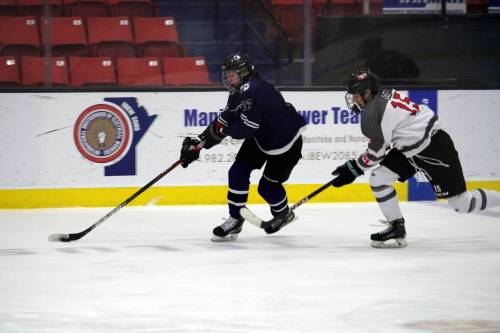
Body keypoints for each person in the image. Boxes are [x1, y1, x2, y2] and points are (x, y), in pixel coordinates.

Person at [330, 68, 500, 248]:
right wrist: (354, 167)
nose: (353, 99)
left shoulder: (373, 112)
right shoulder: (382, 95)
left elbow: (377, 153)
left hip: (434, 149)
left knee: (462, 204)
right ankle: (397, 228)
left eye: (356, 95)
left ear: (367, 92)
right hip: (410, 149)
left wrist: (353, 169)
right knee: (379, 178)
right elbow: (383, 146)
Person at [180, 52, 306, 242]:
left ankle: (283, 214)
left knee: (267, 187)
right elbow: (225, 120)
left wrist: (219, 134)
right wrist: (199, 143)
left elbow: (246, 128)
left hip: (285, 144)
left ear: (244, 72)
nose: (228, 78)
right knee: (237, 172)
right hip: (261, 137)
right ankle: (236, 219)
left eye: (231, 74)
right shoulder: (238, 91)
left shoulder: (255, 89)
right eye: (227, 74)